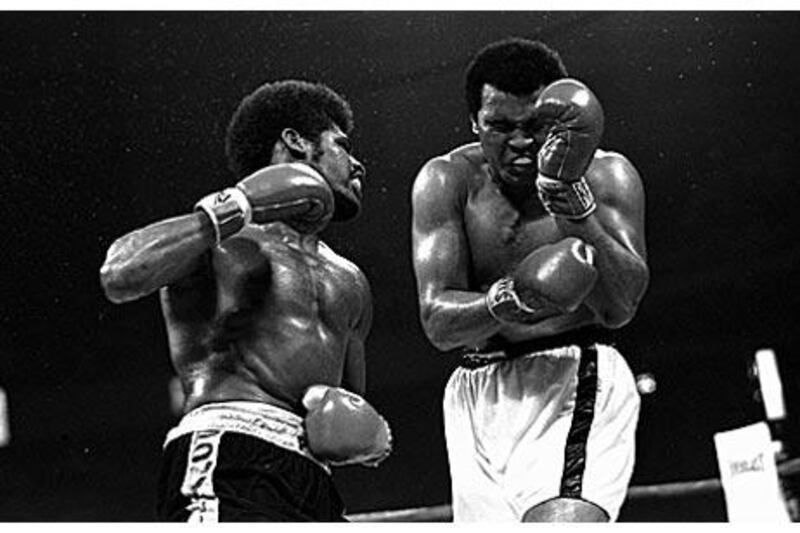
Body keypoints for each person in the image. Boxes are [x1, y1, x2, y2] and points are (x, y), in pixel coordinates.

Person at [100, 79, 392, 522]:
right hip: (228, 453)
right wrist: (234, 207)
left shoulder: (350, 279)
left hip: (314, 480)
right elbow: (119, 274)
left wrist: (359, 431)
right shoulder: (220, 240)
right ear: (295, 141)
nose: (358, 165)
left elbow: (347, 400)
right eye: (342, 145)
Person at [410, 38, 649, 522]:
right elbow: (438, 323)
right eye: (500, 126)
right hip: (473, 393)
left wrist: (575, 208)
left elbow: (620, 306)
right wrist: (513, 297)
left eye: (536, 125)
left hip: (570, 375)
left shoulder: (606, 175)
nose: (521, 142)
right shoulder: (446, 181)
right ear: (474, 123)